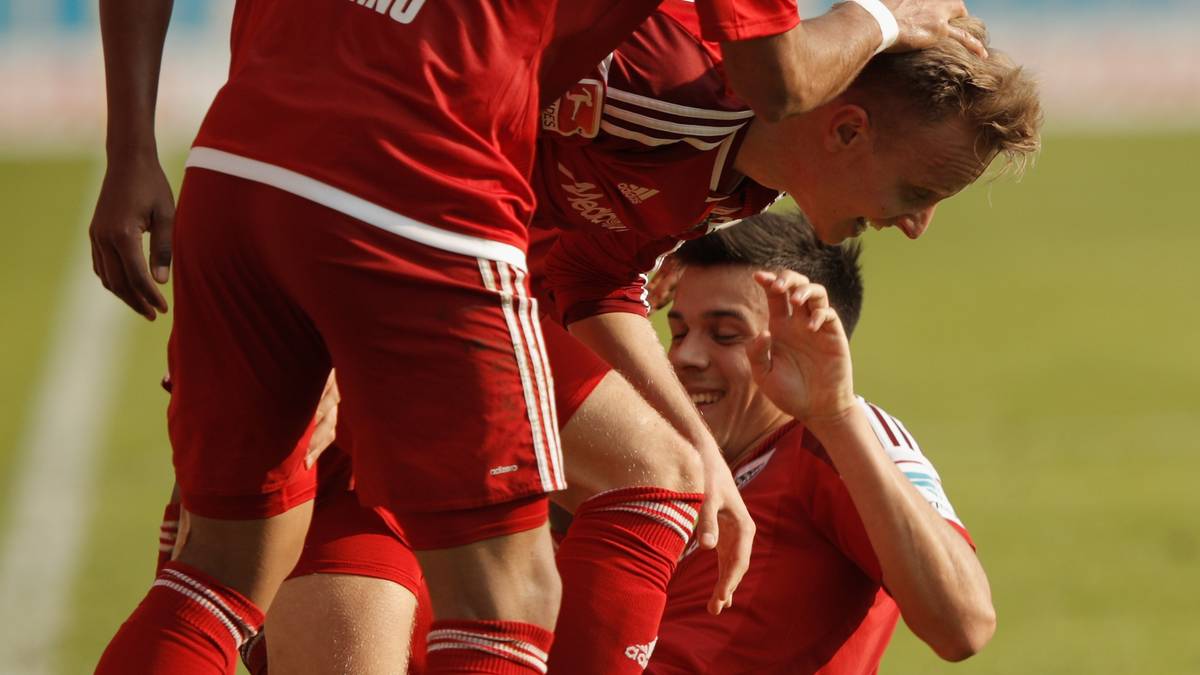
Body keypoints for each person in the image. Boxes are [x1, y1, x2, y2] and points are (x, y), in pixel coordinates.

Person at [89, 0, 991, 670]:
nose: (917, 225)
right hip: (408, 208)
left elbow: (592, 272)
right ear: (847, 128)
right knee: (547, 568)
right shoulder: (681, 81)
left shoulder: (712, 174)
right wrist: (885, 15)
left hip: (243, 169)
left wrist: (131, 142)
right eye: (920, 195)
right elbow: (779, 73)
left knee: (217, 578)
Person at [647, 210, 995, 673]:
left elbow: (963, 625)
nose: (685, 356)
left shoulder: (833, 444)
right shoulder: (673, 455)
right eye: (679, 332)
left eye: (725, 335)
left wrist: (836, 415)